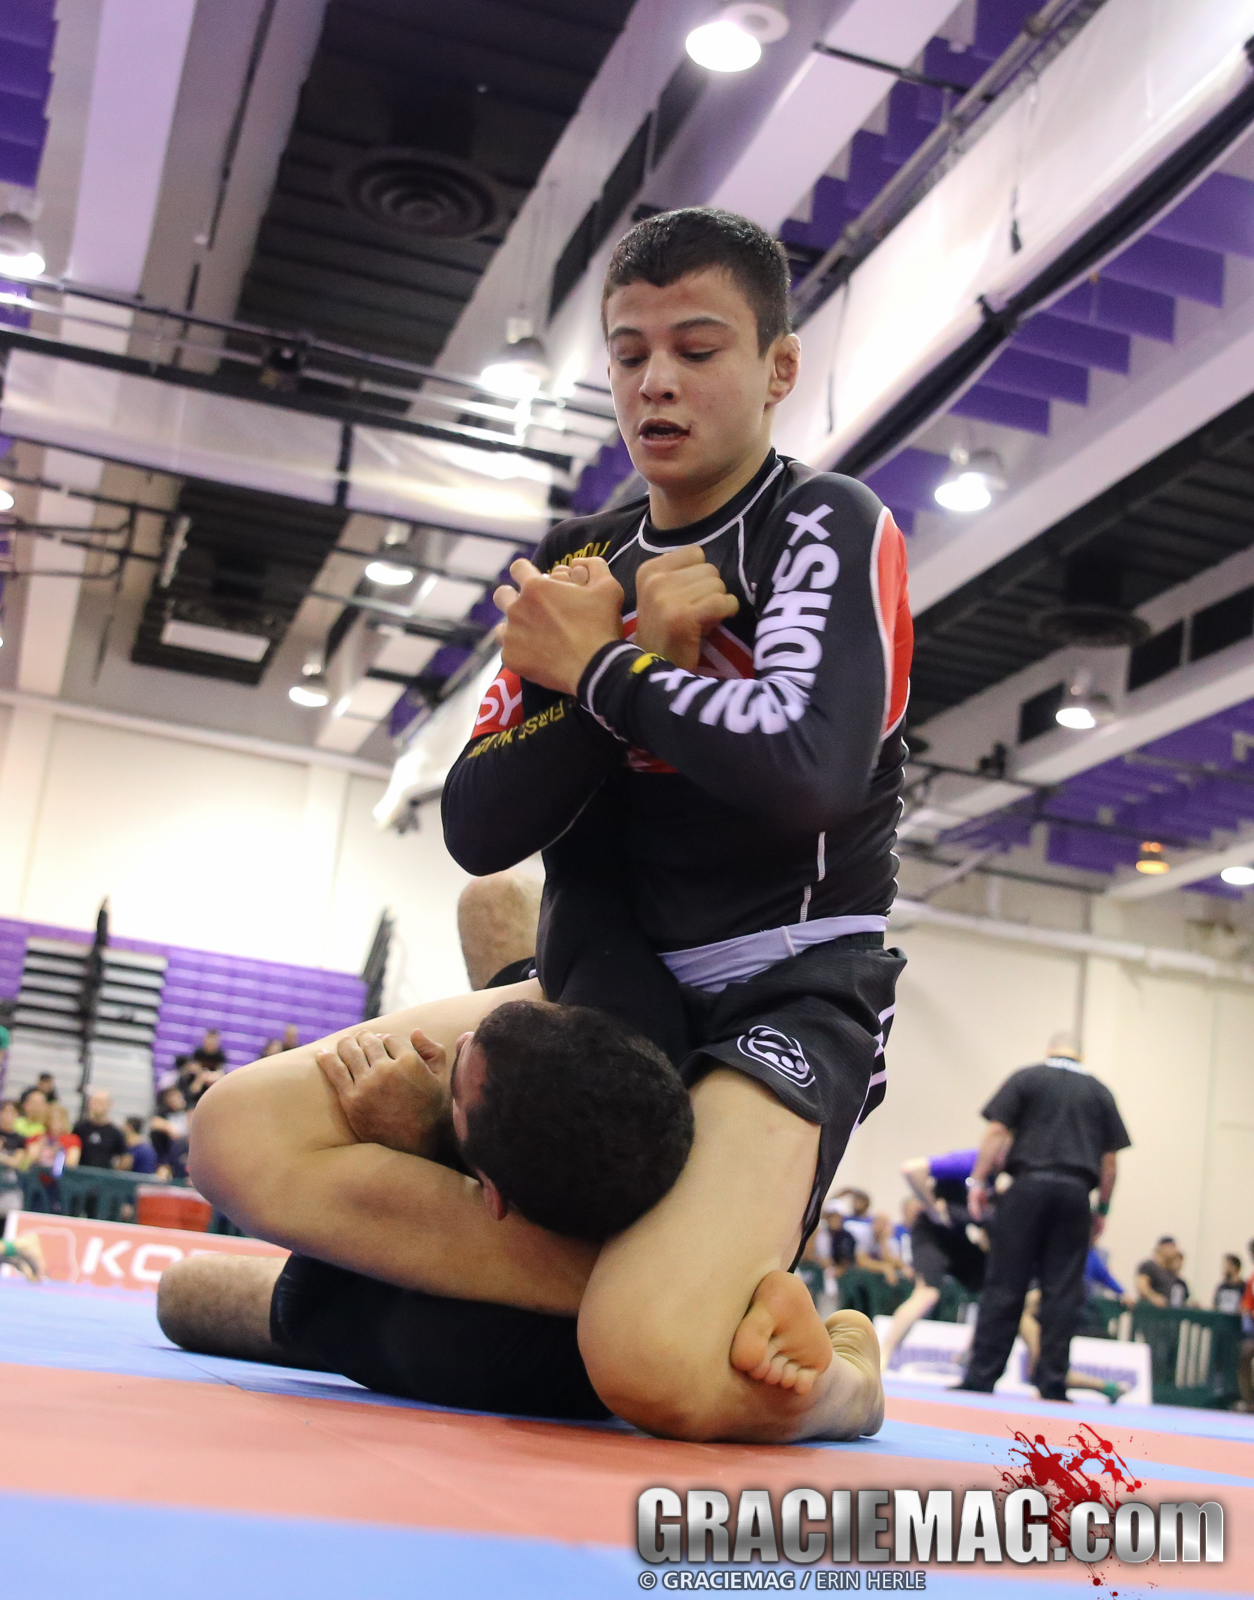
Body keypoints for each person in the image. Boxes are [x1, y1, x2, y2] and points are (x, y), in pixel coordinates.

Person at [185, 207, 910, 1443]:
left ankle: (842, 1367)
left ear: (779, 368)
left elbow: (808, 777)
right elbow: (479, 824)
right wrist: (610, 656)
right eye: (630, 355)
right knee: (233, 1133)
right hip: (592, 991)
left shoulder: (827, 525)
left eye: (698, 347)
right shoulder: (582, 558)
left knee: (648, 1364)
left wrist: (617, 675)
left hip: (779, 999)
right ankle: (680, 1277)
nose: (658, 383)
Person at [959, 1033, 1131, 1400]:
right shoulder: (1099, 1091)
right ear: (1080, 1056)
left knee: (1005, 1282)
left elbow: (996, 1130)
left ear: (1049, 1051)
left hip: (1026, 1188)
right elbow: (1110, 1160)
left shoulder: (1027, 1078)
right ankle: (1052, 1381)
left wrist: (978, 1181)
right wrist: (1102, 1208)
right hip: (1074, 1194)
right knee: (1063, 1290)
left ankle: (981, 1377)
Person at [879, 1149, 990, 1371]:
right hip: (931, 1234)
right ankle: (884, 1355)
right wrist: (931, 1206)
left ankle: (971, 1354)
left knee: (1002, 1293)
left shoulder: (1000, 1177)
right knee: (927, 1293)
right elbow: (911, 1170)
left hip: (960, 1238)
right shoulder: (968, 1161)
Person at [73, 1089, 128, 1169]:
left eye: (102, 1102)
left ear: (109, 1104)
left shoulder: (116, 1133)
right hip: (80, 1176)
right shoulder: (80, 1128)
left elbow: (123, 1156)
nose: (98, 1106)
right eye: (95, 1102)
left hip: (103, 1178)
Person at [1137, 1237, 1188, 1308]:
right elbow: (1142, 1286)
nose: (1174, 1251)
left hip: (1166, 1313)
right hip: (1150, 1311)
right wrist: (1153, 1297)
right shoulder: (1149, 1266)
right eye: (1171, 1247)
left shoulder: (1170, 1272)